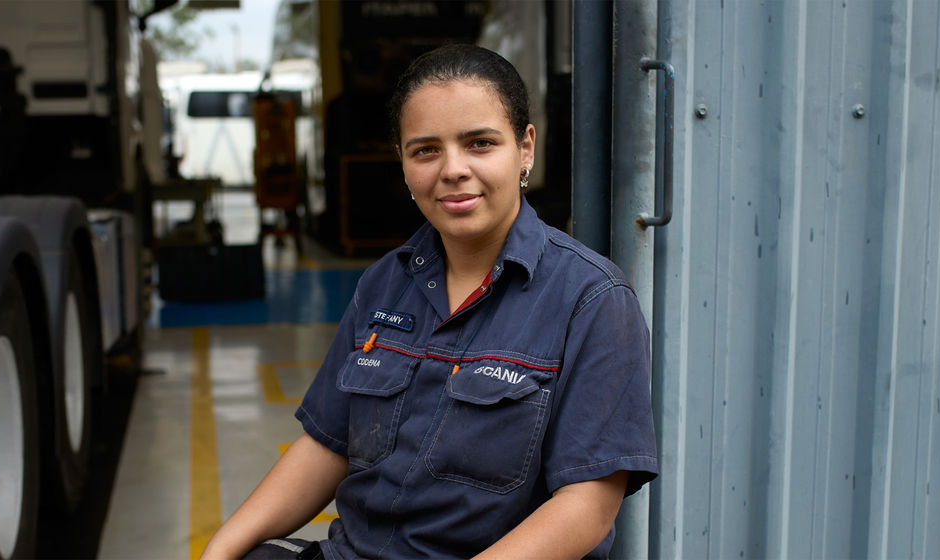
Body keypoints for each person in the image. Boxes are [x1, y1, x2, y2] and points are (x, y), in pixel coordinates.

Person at [201, 44, 657, 560]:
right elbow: (328, 444)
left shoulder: (591, 298)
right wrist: (219, 554)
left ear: (525, 147)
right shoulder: (383, 282)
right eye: (426, 150)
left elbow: (588, 504)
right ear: (402, 161)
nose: (453, 169)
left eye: (480, 143)